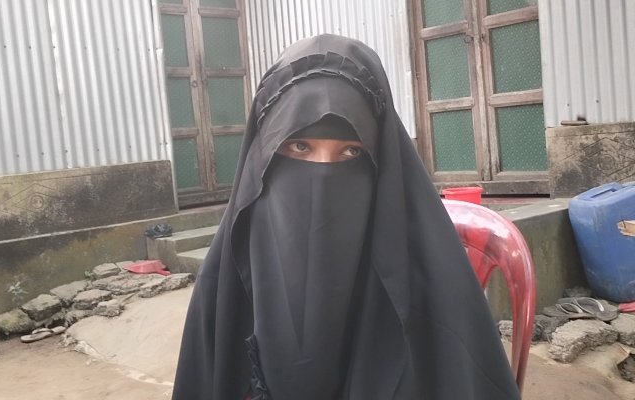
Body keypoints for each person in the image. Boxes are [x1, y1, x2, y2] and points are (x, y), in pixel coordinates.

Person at [172, 34, 520, 399]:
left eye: (351, 152)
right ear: (263, 159)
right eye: (300, 147)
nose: (323, 179)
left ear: (381, 165)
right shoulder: (223, 285)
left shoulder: (434, 284)